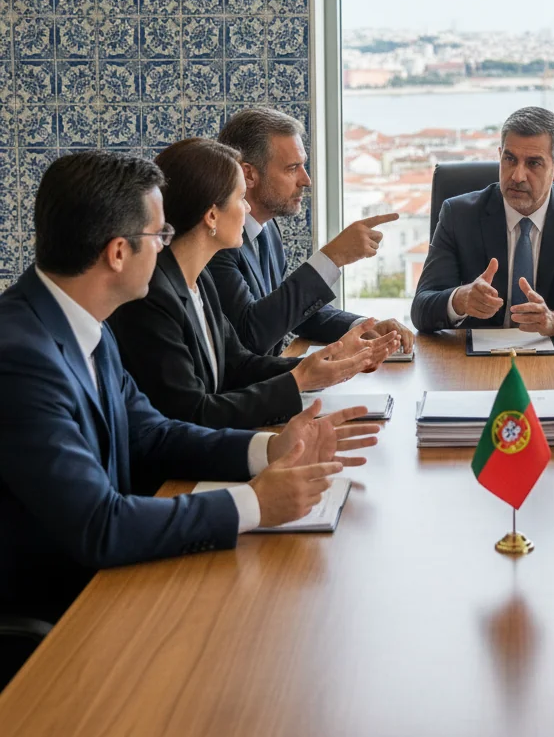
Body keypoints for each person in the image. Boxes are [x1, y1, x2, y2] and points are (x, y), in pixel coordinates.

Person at [0, 150, 382, 623]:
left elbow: (155, 434)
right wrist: (254, 503)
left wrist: (273, 448)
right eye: (159, 235)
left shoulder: (84, 324)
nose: (166, 247)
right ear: (118, 252)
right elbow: (99, 525)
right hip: (57, 619)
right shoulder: (20, 357)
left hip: (111, 581)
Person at [108, 139, 400, 430]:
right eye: (241, 198)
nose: (248, 208)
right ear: (211, 216)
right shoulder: (154, 295)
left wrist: (329, 361)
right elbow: (192, 414)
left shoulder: (199, 278)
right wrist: (298, 381)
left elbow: (238, 364)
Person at [210, 107, 413, 356]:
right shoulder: (216, 241)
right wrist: (332, 258)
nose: (306, 180)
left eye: (303, 166)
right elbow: (251, 335)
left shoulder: (267, 230)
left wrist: (361, 326)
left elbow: (292, 313)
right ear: (248, 174)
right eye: (292, 168)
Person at [410, 106, 554, 339]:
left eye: (533, 163)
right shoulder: (459, 215)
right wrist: (459, 300)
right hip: (476, 362)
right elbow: (422, 309)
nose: (517, 176)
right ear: (500, 155)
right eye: (510, 159)